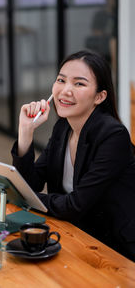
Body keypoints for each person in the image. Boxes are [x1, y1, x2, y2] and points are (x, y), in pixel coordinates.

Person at [11, 50, 135, 261]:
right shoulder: (63, 128)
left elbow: (75, 205)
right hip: (75, 237)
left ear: (99, 96)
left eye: (79, 84)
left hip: (114, 249)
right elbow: (31, 182)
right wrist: (26, 132)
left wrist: (26, 198)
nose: (66, 90)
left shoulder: (113, 135)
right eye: (61, 80)